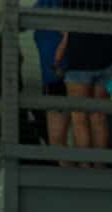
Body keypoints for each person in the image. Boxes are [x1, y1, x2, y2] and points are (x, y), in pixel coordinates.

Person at [56, 0, 112, 164]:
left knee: (79, 117)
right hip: (107, 54)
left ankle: (85, 168)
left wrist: (59, 55)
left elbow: (65, 23)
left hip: (79, 55)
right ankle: (99, 169)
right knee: (99, 116)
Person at [33, 0, 70, 159]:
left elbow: (69, 32)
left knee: (57, 143)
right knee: (56, 143)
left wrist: (57, 62)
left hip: (61, 77)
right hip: (52, 79)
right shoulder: (42, 4)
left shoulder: (60, 5)